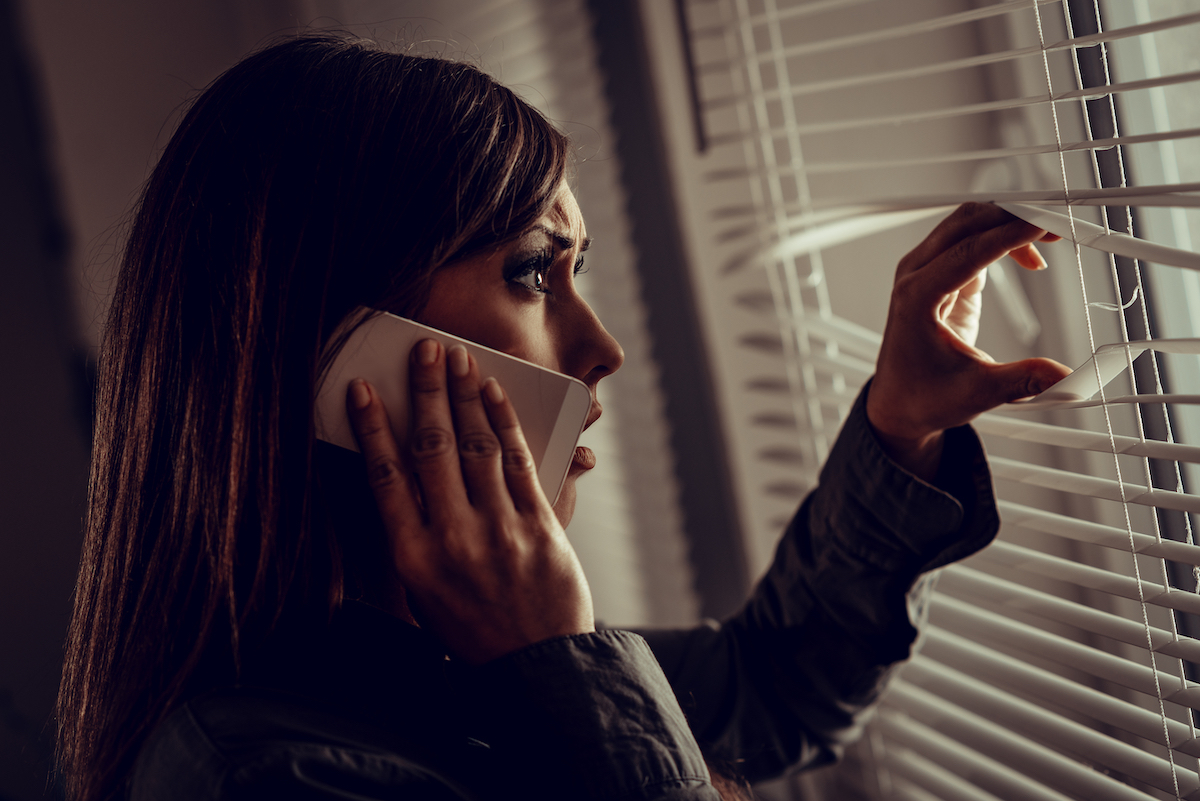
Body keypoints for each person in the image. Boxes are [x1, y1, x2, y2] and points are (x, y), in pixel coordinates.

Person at [55, 33, 1069, 801]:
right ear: (336, 344)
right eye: (536, 270)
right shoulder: (267, 776)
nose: (604, 349)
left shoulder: (453, 653)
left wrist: (899, 425)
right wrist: (555, 670)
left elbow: (771, 688)